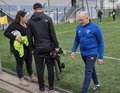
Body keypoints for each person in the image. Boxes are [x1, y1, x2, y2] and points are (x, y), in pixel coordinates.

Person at [28, 3, 59, 92]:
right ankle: (51, 87)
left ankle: (41, 88)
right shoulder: (48, 18)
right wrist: (56, 46)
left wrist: (32, 49)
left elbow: (29, 37)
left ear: (34, 9)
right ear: (42, 8)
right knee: (50, 68)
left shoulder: (30, 21)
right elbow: (52, 34)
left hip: (37, 49)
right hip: (49, 48)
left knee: (39, 69)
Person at [71, 11, 104, 93]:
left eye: (81, 20)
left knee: (88, 71)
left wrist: (100, 56)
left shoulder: (95, 27)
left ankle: (83, 91)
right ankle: (96, 84)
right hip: (83, 53)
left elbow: (101, 42)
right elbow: (76, 40)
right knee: (91, 68)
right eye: (79, 20)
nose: (80, 21)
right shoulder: (78, 27)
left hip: (92, 52)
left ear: (87, 18)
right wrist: (73, 51)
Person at [4, 10, 37, 86]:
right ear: (21, 17)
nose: (27, 18)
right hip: (18, 48)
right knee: (20, 62)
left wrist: (32, 47)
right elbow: (6, 33)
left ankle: (31, 76)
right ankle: (21, 79)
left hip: (27, 47)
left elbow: (29, 36)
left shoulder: (27, 24)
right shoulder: (14, 24)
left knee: (29, 61)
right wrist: (15, 37)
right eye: (25, 17)